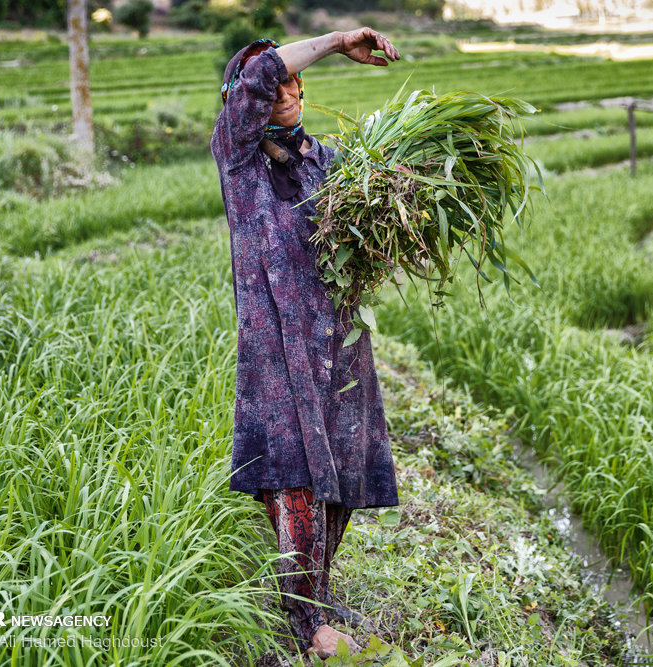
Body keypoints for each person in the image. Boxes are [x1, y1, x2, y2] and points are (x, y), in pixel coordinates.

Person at [209, 29, 402, 660]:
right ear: (244, 97)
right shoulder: (239, 159)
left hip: (340, 340)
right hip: (278, 347)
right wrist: (342, 39)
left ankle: (314, 596)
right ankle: (305, 623)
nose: (286, 90)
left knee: (343, 474)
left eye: (294, 83)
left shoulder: (328, 160)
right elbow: (262, 71)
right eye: (274, 84)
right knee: (292, 476)